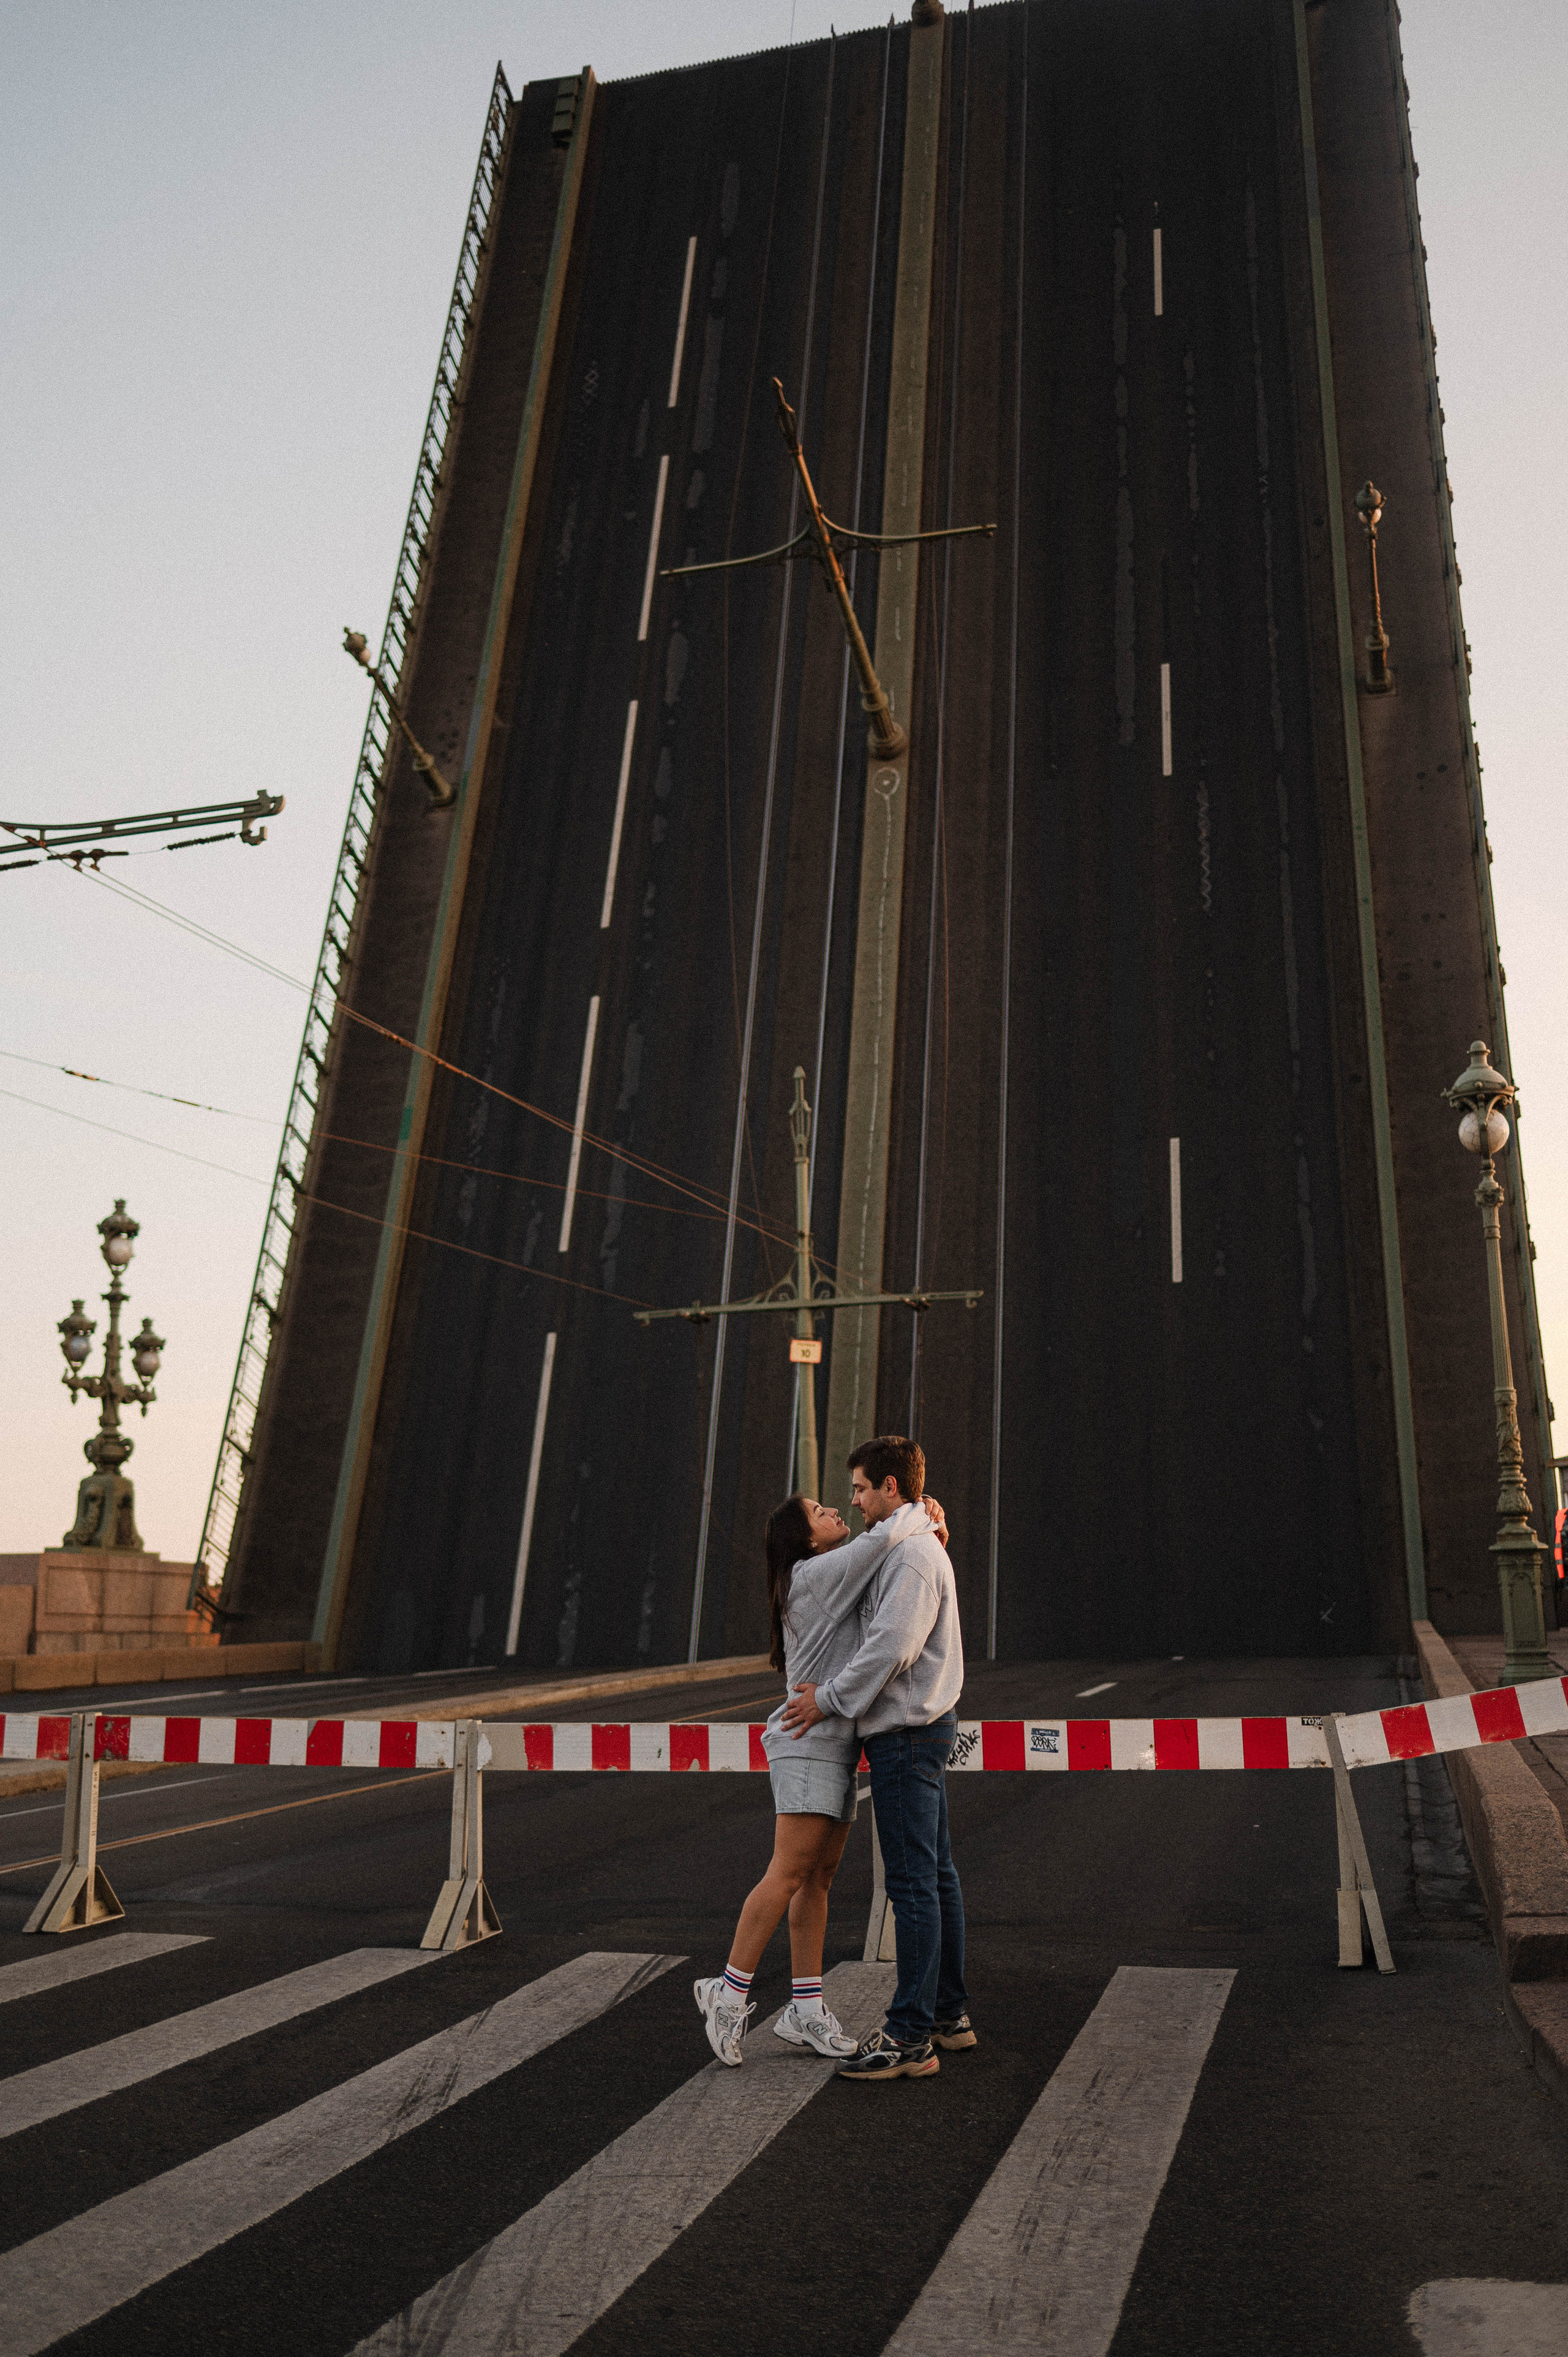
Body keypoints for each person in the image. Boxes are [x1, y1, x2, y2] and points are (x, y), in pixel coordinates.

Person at [693, 1485, 947, 2068]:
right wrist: (918, 1509)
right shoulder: (814, 1575)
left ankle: (805, 2008)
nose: (836, 1509)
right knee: (786, 1872)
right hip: (808, 1742)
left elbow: (887, 1554)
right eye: (820, 1512)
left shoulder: (831, 1572)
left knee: (819, 1879)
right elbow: (884, 1538)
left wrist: (925, 1520)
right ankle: (727, 1993)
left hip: (836, 1742)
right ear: (806, 1539)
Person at [778, 1433, 971, 2083]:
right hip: (918, 1729)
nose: (854, 1500)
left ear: (891, 1487)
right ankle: (948, 2012)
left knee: (913, 1885)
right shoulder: (914, 1542)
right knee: (935, 1877)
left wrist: (828, 1699)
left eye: (861, 1488)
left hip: (905, 1734)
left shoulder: (912, 1555)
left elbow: (891, 1647)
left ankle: (910, 2036)